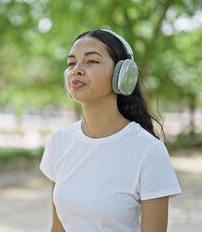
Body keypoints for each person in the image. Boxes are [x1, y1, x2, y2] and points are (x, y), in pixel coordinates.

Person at [39, 29, 181, 232]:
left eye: (91, 61)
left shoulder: (148, 151)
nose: (76, 70)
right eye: (71, 63)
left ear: (122, 74)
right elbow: (57, 228)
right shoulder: (58, 141)